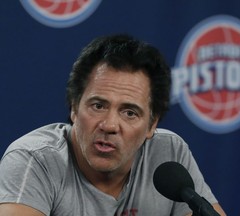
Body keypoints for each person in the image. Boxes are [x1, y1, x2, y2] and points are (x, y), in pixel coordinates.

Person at [0, 34, 226, 216]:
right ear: (74, 108)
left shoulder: (168, 153)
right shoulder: (34, 159)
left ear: (151, 125)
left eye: (129, 112)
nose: (109, 125)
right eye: (98, 106)